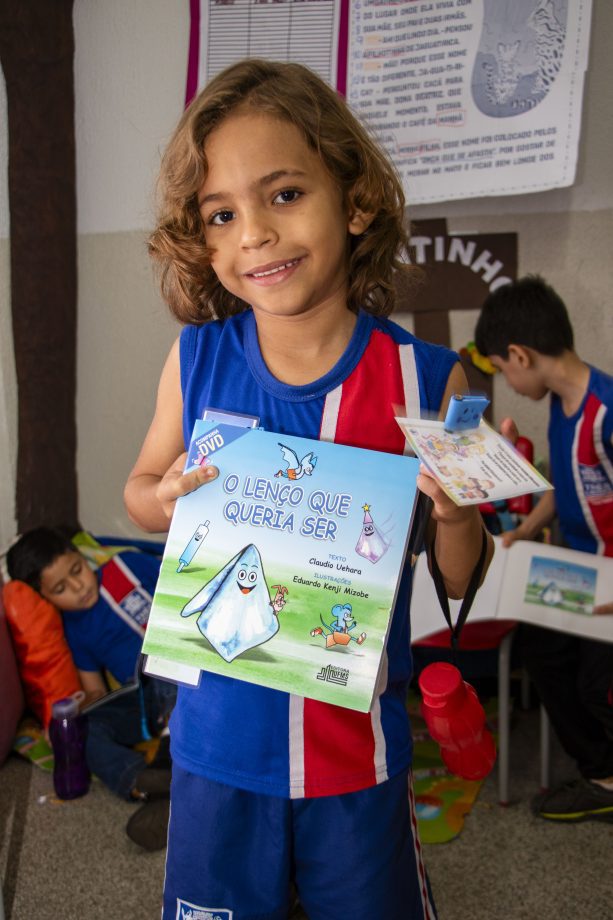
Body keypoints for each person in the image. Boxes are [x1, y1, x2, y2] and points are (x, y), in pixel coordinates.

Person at [124, 59, 493, 920]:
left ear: (354, 199)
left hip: (354, 757)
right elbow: (141, 491)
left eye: (283, 194)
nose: (253, 232)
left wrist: (456, 514)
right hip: (216, 750)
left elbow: (461, 577)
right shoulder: (195, 359)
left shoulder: (433, 382)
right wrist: (166, 497)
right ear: (203, 240)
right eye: (222, 214)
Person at [475, 274, 613, 824]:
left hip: (606, 583)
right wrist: (523, 530)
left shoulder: (605, 412)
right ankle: (599, 769)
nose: (507, 382)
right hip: (574, 568)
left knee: (597, 682)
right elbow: (564, 491)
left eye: (503, 369)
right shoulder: (561, 404)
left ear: (519, 354)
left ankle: (605, 776)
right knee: (542, 651)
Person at [6, 526, 176, 850]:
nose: (78, 586)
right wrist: (63, 725)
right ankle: (145, 783)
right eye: (61, 588)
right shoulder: (75, 632)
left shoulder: (124, 567)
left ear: (81, 556)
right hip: (142, 700)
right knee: (82, 731)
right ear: (45, 598)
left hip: (180, 673)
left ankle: (169, 769)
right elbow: (96, 691)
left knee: (155, 656)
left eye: (76, 569)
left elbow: (181, 591)